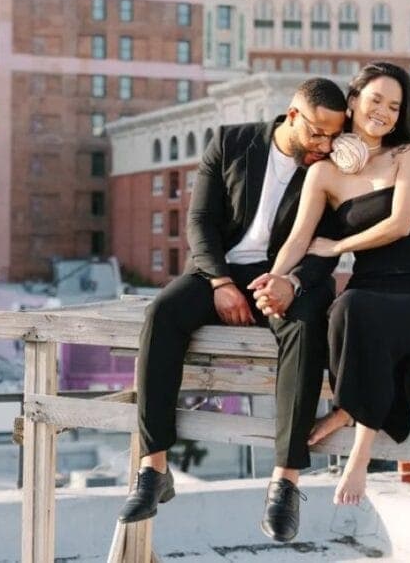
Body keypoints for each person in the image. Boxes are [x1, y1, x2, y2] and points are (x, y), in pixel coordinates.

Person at [117, 77, 347, 543]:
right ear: (293, 115)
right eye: (318, 133)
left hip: (289, 279)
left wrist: (292, 282)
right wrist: (221, 282)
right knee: (162, 313)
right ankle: (153, 469)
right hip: (217, 273)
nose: (326, 144)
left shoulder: (330, 168)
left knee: (305, 329)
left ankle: (284, 482)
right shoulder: (230, 141)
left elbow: (327, 249)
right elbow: (199, 221)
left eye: (334, 135)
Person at [249, 62, 410, 507]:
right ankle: (347, 407)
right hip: (366, 287)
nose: (384, 112)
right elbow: (300, 237)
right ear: (353, 101)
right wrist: (274, 281)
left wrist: (337, 247)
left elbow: (398, 224)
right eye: (376, 100)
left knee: (357, 310)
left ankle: (359, 451)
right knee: (342, 309)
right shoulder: (325, 173)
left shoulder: (406, 155)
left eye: (395, 106)